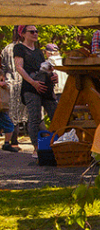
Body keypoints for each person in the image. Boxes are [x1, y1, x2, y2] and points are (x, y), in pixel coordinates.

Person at [14, 25, 58, 159]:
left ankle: (57, 144)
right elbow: (19, 67)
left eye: (36, 31)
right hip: (31, 88)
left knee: (55, 113)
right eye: (32, 31)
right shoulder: (19, 48)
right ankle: (37, 148)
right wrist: (32, 82)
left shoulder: (39, 52)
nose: (35, 34)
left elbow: (44, 68)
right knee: (35, 117)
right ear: (23, 34)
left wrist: (52, 75)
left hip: (44, 86)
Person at [1, 28, 25, 151]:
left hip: (9, 83)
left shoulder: (7, 48)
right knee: (18, 113)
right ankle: (12, 142)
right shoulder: (23, 47)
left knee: (11, 113)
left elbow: (3, 67)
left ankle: (12, 141)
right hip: (21, 82)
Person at [0, 76, 17, 152]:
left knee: (7, 125)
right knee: (9, 125)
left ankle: (6, 143)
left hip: (2, 107)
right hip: (1, 107)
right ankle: (6, 144)